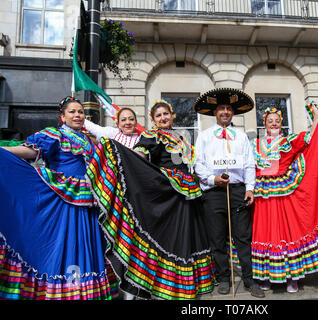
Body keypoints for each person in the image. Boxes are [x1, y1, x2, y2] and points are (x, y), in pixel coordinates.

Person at [87, 100, 214, 300]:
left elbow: (192, 163)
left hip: (188, 194)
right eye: (158, 116)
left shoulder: (182, 137)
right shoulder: (151, 135)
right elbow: (139, 156)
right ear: (153, 120)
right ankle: (167, 286)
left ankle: (186, 285)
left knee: (186, 238)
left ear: (172, 115)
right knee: (168, 239)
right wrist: (126, 157)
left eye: (166, 114)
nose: (163, 118)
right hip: (167, 193)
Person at [0, 96, 118, 300]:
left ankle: (85, 291)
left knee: (86, 243)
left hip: (89, 202)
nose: (78, 115)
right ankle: (64, 292)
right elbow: (31, 151)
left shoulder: (90, 141)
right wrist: (4, 151)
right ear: (62, 117)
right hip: (65, 200)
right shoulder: (55, 134)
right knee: (65, 243)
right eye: (72, 112)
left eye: (80, 112)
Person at [250, 105, 318, 293]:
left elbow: (311, 138)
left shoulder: (288, 140)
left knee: (287, 233)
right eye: (270, 121)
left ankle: (292, 277)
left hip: (284, 192)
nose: (273, 123)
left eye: (277, 121)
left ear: (282, 124)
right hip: (261, 194)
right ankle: (266, 275)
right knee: (264, 232)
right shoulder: (254, 144)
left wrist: (316, 117)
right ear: (264, 125)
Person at [193, 88, 265, 298]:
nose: (225, 111)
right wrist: (211, 179)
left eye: (228, 108)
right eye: (221, 108)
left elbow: (249, 164)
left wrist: (250, 188)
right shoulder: (205, 136)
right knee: (217, 239)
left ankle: (250, 280)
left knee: (243, 237)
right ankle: (224, 278)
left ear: (232, 113)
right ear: (215, 113)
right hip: (214, 192)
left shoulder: (241, 136)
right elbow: (198, 164)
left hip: (237, 190)